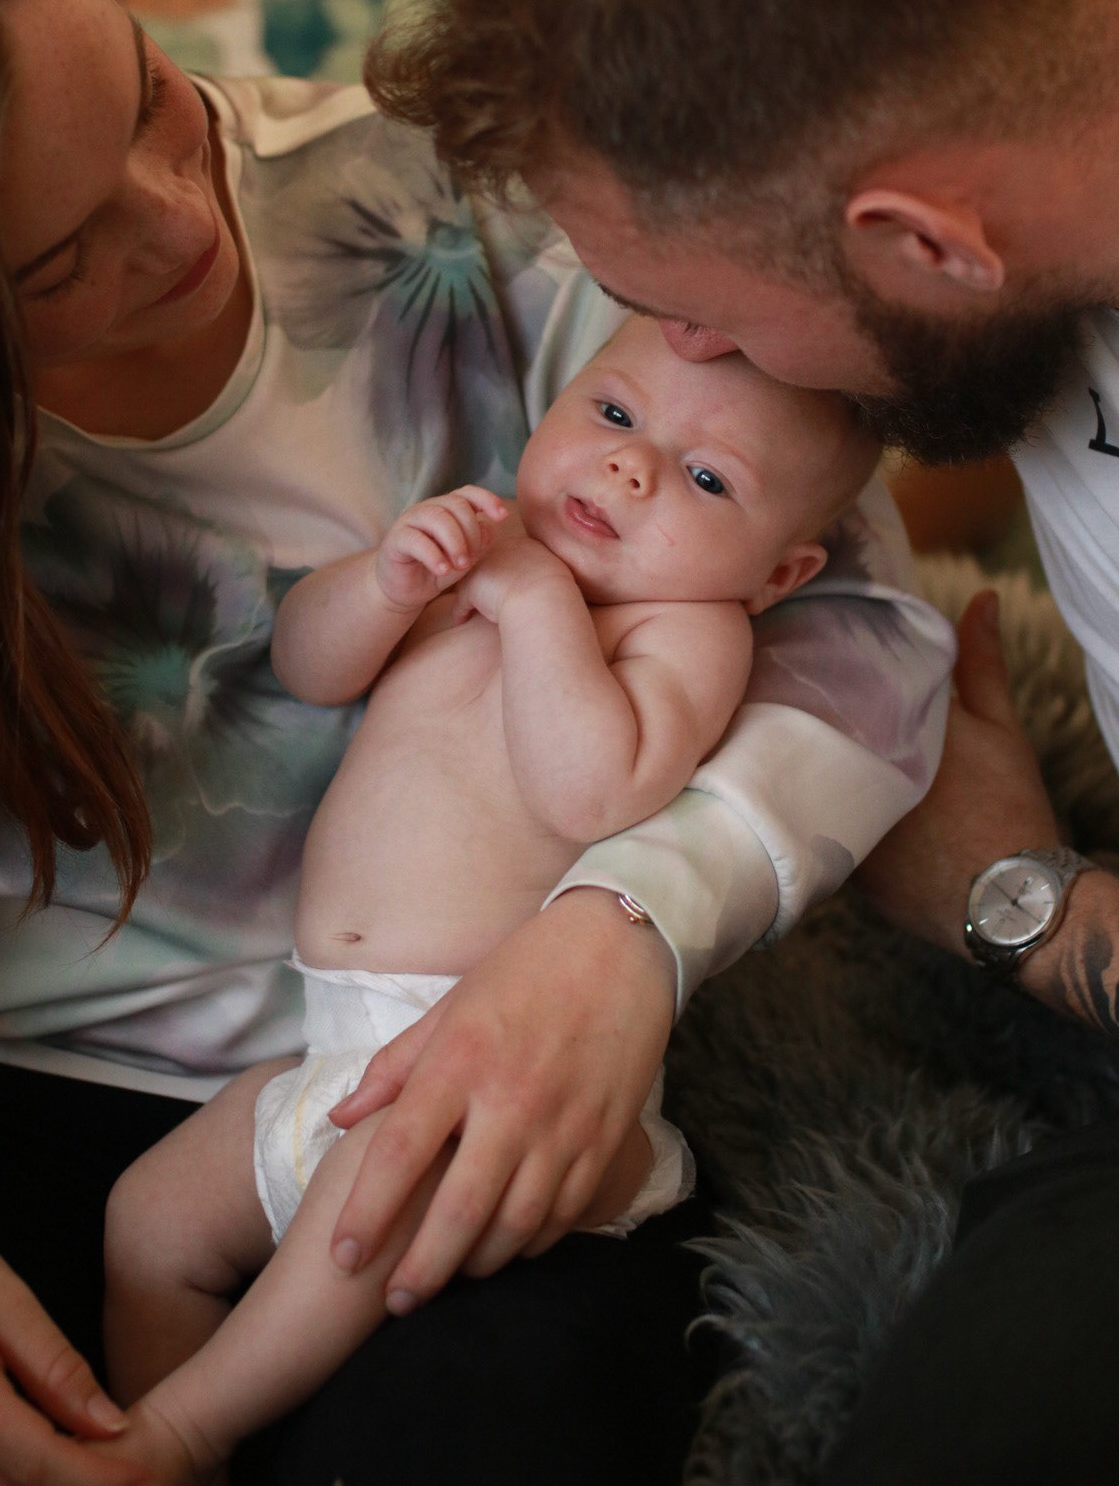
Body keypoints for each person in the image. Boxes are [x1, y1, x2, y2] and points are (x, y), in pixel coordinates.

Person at [0, 0, 955, 1486]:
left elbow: (865, 630)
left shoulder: (456, 207)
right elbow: (314, 652)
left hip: (472, 1031)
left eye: (144, 93)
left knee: (495, 1409)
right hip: (43, 1079)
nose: (177, 217)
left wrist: (622, 934)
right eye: (56, 262)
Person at [365, 0, 1119, 1483]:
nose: (684, 364)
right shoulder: (1090, 31)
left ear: (928, 247)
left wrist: (1018, 901)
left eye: (703, 319)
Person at [101, 317, 880, 1482]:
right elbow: (311, 667)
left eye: (707, 479)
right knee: (147, 1220)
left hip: (493, 1065)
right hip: (335, 1049)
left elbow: (591, 788)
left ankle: (184, 1429)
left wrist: (531, 605)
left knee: (359, 1214)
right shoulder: (481, 540)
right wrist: (385, 581)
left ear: (778, 574)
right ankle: (140, 1439)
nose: (629, 466)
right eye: (612, 414)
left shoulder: (686, 630)